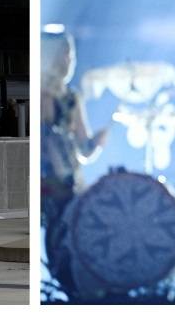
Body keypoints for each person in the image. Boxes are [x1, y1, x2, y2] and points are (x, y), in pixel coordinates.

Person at [40, 30, 107, 241]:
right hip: (50, 184)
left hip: (72, 182)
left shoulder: (72, 97)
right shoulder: (40, 94)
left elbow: (84, 149)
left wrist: (98, 142)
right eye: (65, 53)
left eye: (71, 54)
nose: (70, 60)